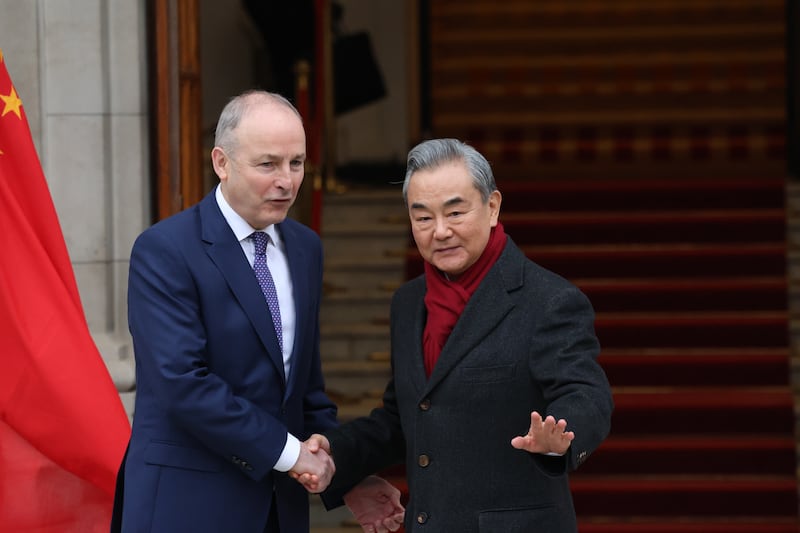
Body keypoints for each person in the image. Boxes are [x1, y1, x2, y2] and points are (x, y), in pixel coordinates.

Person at [111, 90, 402, 532]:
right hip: (186, 508)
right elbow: (182, 384)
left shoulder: (305, 248)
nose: (286, 180)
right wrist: (292, 455)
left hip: (278, 513)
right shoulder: (165, 250)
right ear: (221, 163)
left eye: (297, 163)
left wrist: (342, 476)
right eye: (268, 164)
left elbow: (304, 389)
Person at [299, 138, 614, 532]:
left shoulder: (548, 300)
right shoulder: (409, 303)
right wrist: (336, 454)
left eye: (455, 212)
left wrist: (561, 434)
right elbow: (406, 416)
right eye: (423, 218)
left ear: (493, 207)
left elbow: (587, 393)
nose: (441, 231)